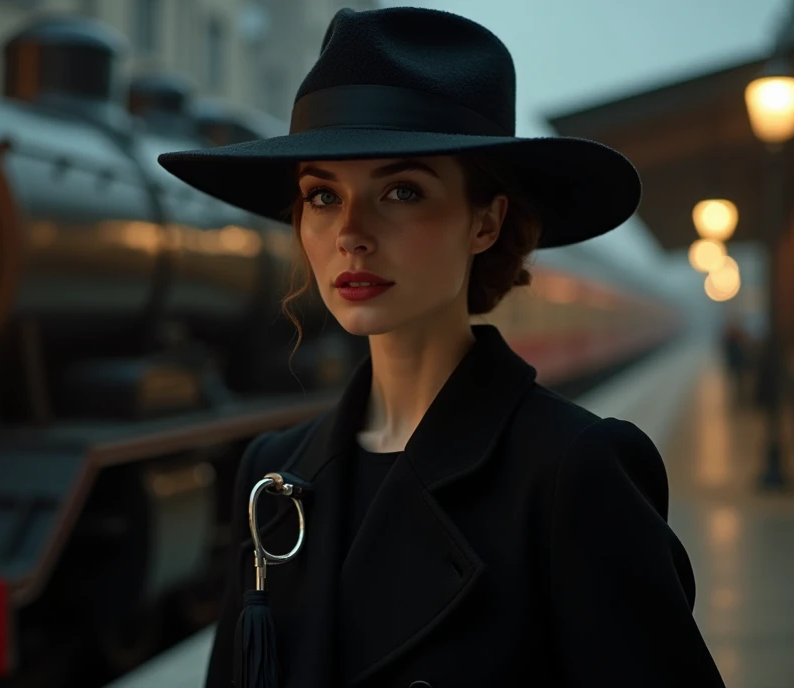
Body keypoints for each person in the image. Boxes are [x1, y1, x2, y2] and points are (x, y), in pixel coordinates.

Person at [159, 6, 726, 687]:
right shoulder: (274, 473)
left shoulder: (574, 471)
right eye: (320, 195)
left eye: (401, 191)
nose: (350, 233)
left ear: (486, 221)